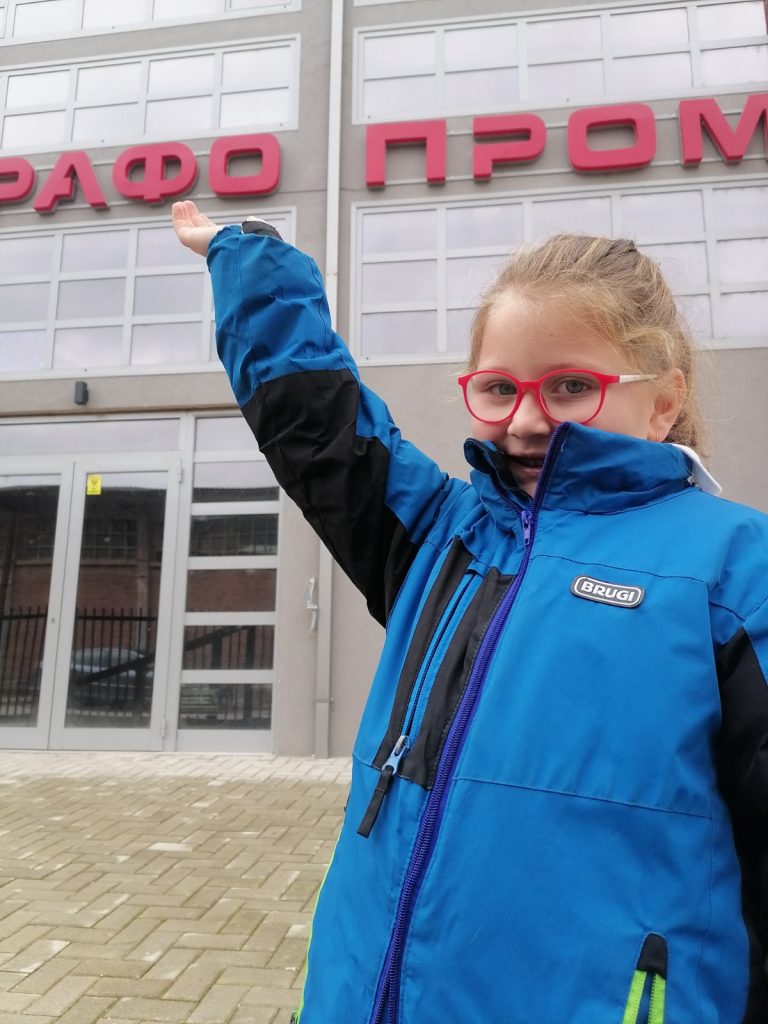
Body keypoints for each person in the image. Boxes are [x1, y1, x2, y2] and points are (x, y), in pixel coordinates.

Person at [172, 199, 768, 1024]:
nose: (525, 420)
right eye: (498, 388)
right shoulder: (440, 537)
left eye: (570, 387)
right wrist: (251, 267)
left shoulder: (734, 566)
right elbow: (321, 428)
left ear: (664, 400)